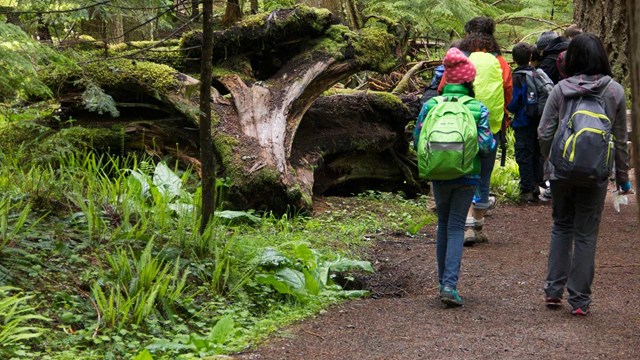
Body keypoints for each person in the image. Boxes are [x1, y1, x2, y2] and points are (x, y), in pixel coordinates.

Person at [538, 33, 632, 316]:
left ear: (573, 58)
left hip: (561, 171)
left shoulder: (560, 89)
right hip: (597, 172)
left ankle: (553, 292)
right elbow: (619, 138)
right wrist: (623, 176)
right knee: (586, 234)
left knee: (561, 226)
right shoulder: (615, 91)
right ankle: (580, 301)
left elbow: (544, 132)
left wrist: (551, 159)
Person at [414, 47, 495, 306]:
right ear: (470, 80)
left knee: (443, 225)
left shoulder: (430, 106)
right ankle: (450, 285)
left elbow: (417, 139)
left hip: (438, 174)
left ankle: (441, 283)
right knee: (456, 226)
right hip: (467, 174)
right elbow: (485, 146)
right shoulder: (477, 108)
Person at [440, 17, 512, 246]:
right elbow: (508, 89)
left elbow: (443, 87)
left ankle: (464, 223)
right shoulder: (499, 61)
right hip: (490, 126)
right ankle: (477, 225)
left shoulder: (461, 59)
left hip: (459, 125)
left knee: (461, 170)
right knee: (484, 174)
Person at [506, 42, 544, 203]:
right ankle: (536, 185)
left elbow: (513, 102)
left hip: (523, 121)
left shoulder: (517, 77)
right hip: (540, 120)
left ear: (514, 59)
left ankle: (526, 189)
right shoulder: (538, 74)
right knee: (537, 153)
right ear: (530, 57)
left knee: (524, 154)